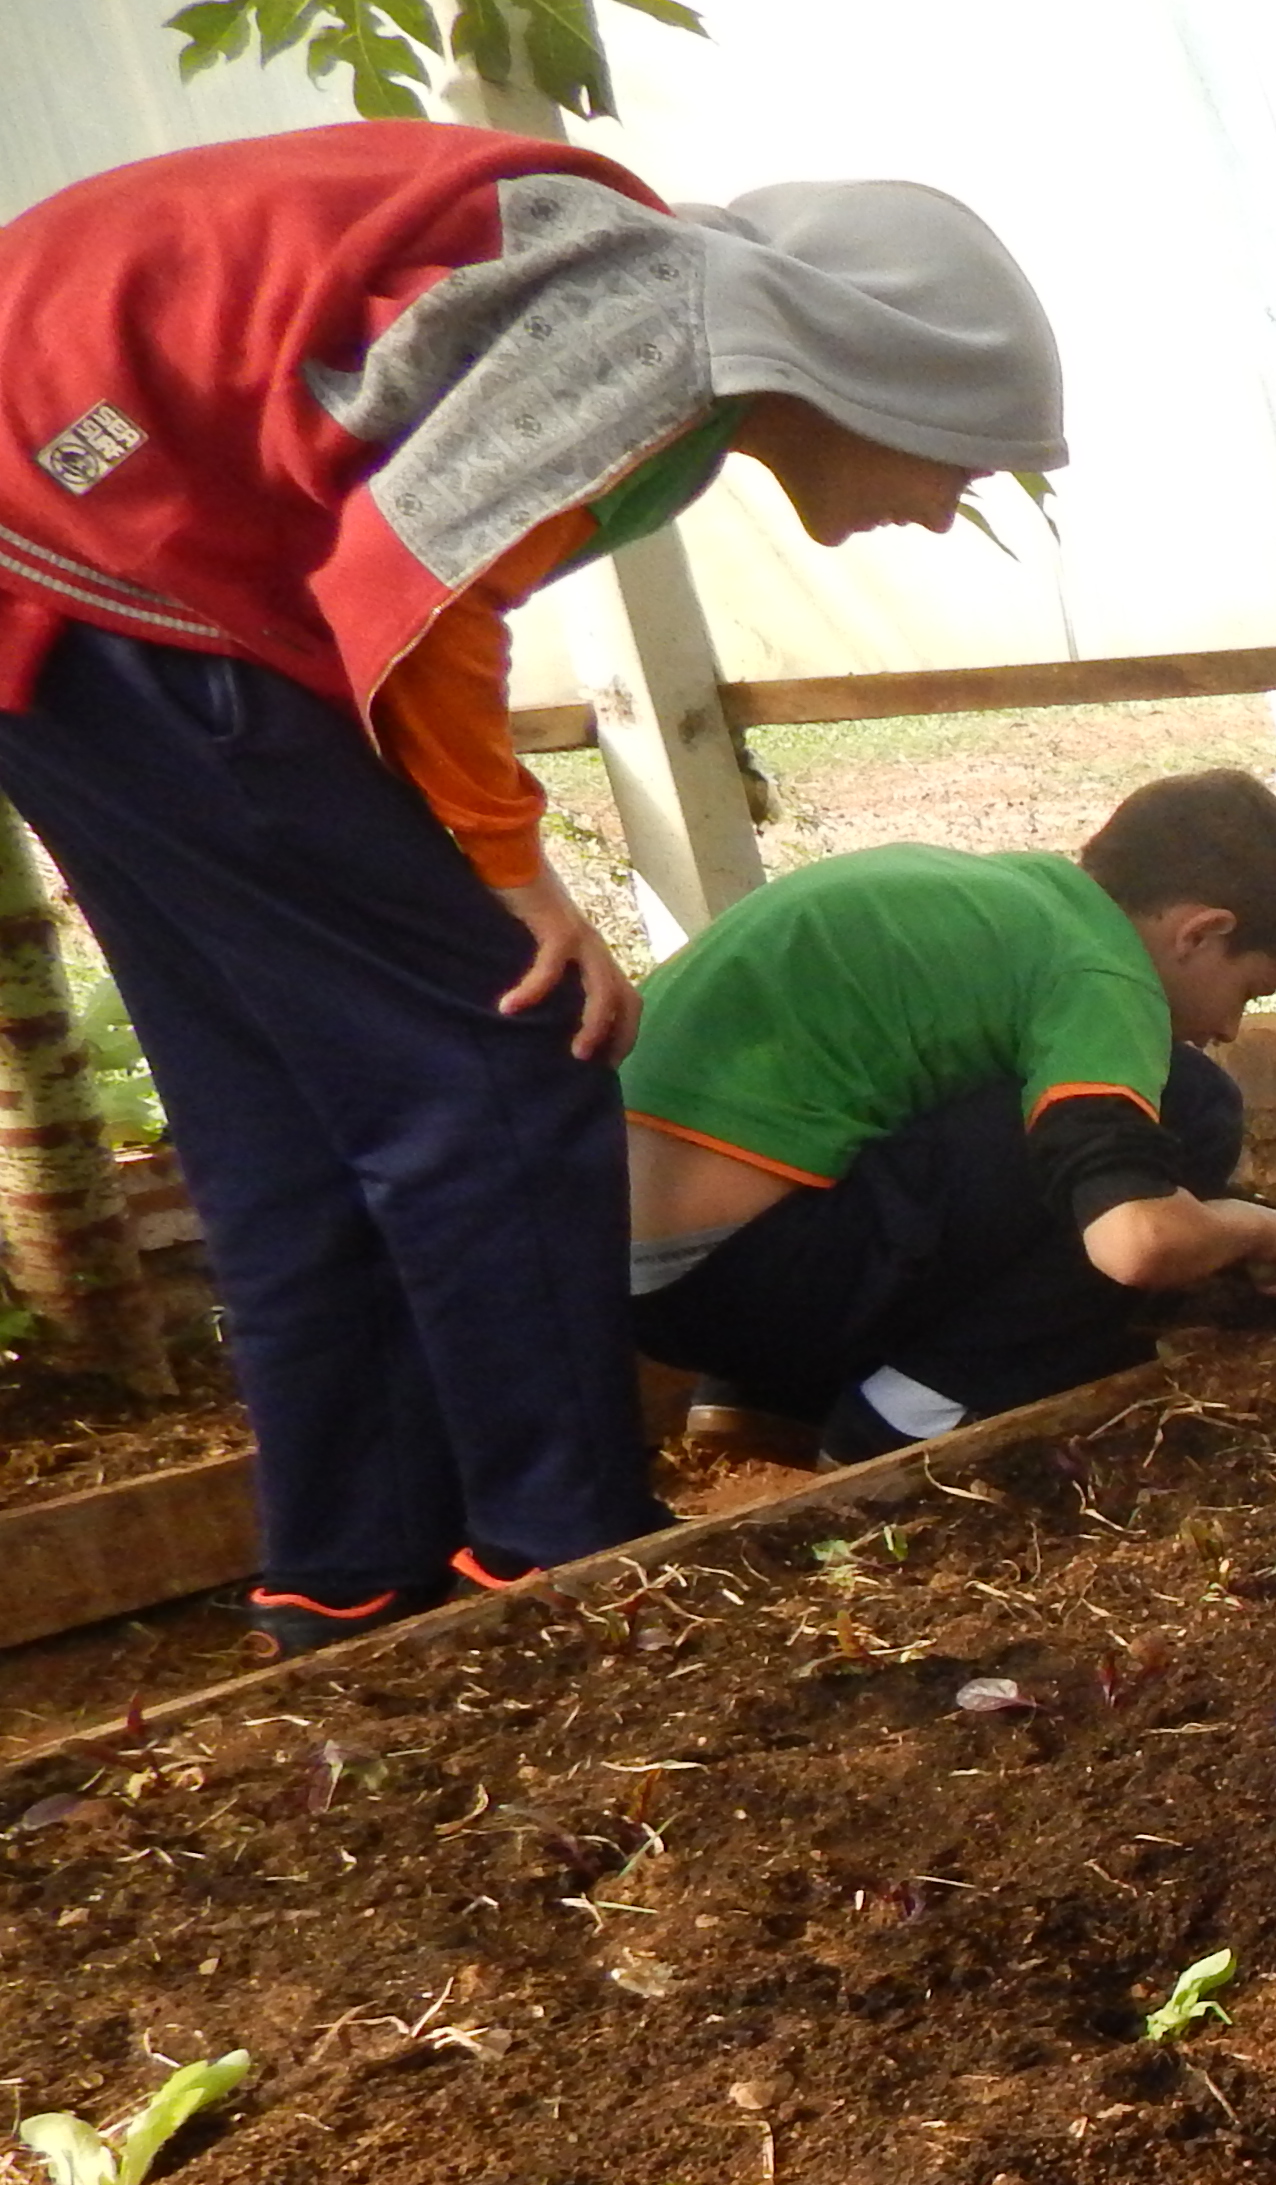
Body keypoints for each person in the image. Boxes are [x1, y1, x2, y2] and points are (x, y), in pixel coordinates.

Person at [0, 121, 1066, 1650]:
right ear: (869, 368)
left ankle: (348, 1580)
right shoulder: (661, 325)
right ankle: (563, 1554)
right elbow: (411, 592)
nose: (950, 502)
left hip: (71, 590)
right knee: (500, 1058)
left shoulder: (653, 354)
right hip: (115, 545)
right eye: (964, 454)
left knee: (290, 1122)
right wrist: (510, 872)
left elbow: (385, 575)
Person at [618, 772, 1276, 1461]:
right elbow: (1137, 1241)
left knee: (1006, 1096)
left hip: (632, 1282)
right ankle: (910, 1416)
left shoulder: (998, 899)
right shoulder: (1099, 967)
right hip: (745, 1282)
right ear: (1199, 933)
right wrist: (1254, 1223)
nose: (1231, 1029)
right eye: (1248, 990)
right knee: (1190, 1099)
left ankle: (773, 1398)